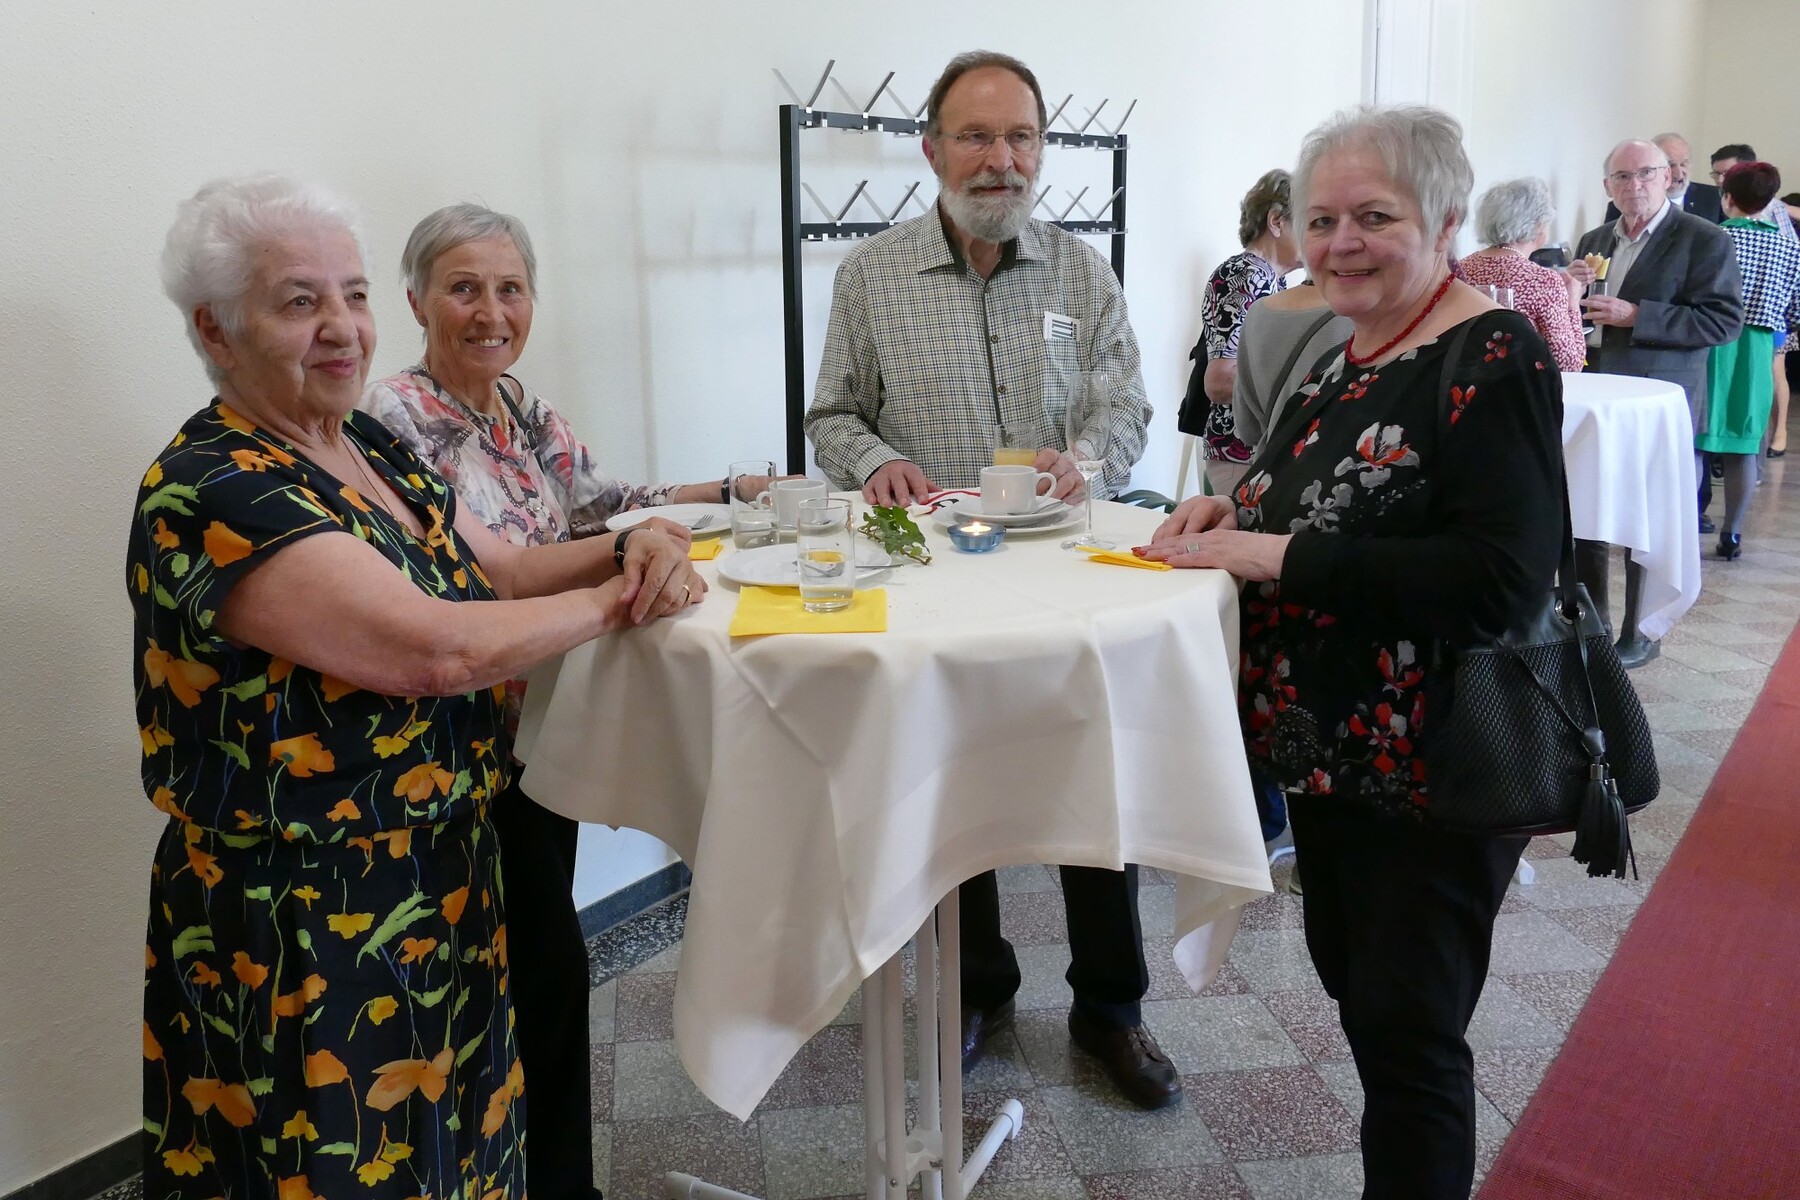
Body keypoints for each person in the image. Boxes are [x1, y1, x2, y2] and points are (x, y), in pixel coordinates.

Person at [135, 177, 703, 1199]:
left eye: (351, 295)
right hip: (307, 917)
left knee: (459, 1151)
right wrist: (622, 599)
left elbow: (504, 571)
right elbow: (432, 652)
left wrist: (632, 544)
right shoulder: (215, 486)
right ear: (215, 328)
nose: (341, 327)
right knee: (331, 1161)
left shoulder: (368, 443)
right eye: (299, 301)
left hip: (444, 872)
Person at [1138, 104, 1564, 1200]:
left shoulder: (1491, 352)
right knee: (1371, 1008)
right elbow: (1307, 497)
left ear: (1446, 219)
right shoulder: (1353, 350)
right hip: (1333, 760)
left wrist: (1274, 554)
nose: (1340, 242)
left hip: (1431, 770)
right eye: (1321, 218)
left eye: (1375, 216)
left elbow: (1505, 582)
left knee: (1412, 1043)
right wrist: (1226, 514)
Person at [360, 202, 754, 1199]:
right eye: (464, 288)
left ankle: (544, 1178)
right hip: (459, 742)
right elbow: (490, 571)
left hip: (546, 723)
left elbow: (606, 505)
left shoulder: (521, 411)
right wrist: (628, 554)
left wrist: (736, 489)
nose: (490, 311)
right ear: (416, 300)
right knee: (527, 970)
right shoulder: (392, 421)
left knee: (538, 965)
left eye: (510, 289)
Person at [804, 50, 1174, 1110]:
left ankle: (1112, 1008)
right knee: (953, 782)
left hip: (1067, 574)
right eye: (976, 135)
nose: (1001, 158)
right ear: (932, 150)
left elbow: (1127, 403)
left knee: (1091, 780)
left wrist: (1088, 457)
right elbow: (833, 413)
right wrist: (877, 461)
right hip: (936, 580)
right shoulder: (870, 276)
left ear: (1041, 151)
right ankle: (978, 988)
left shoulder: (1081, 274)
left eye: (1021, 136)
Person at [1569, 139, 1743, 668]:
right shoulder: (1595, 239)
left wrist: (1637, 315)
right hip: (1598, 398)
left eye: (1646, 173)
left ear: (1668, 177)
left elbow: (1723, 321)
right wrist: (1569, 293)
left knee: (1644, 517)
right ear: (1608, 186)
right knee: (1588, 510)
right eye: (1622, 177)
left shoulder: (1704, 238)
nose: (1635, 185)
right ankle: (1591, 627)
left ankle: (1640, 630)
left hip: (1656, 403)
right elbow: (1583, 318)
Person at [1697, 162, 1800, 559]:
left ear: (1727, 198)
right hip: (1757, 349)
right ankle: (1733, 534)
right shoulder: (1789, 246)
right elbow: (1795, 310)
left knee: (1697, 439)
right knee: (1743, 443)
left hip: (1711, 342)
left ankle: (1690, 519)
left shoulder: (1715, 237)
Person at [1184, 170, 1305, 497]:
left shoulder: (1271, 280)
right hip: (1239, 452)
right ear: (1276, 221)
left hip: (1252, 450)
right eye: (1309, 222)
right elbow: (1220, 381)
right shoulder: (1245, 275)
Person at [1461, 177, 1587, 371]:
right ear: (1538, 225)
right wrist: (1573, 304)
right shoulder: (1543, 281)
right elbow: (1569, 364)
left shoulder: (1460, 270)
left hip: (1463, 382)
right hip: (1516, 385)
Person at [1229, 279, 1353, 456]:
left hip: (1273, 465)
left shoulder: (1257, 312)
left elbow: (1248, 429)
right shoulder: (1365, 318)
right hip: (1335, 465)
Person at [1604, 131, 1722, 223]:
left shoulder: (1714, 197)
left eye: (1684, 164)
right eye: (1671, 164)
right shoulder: (1627, 204)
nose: (1679, 173)